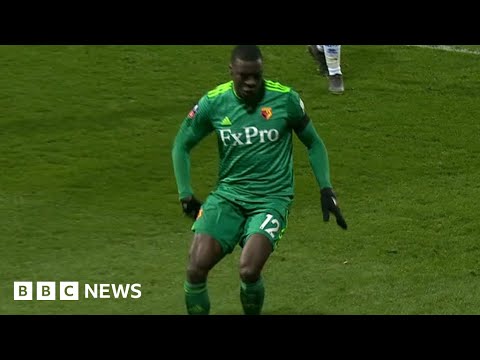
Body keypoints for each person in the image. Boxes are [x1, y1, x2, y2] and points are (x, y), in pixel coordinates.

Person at [172, 45, 347, 315]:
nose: (251, 82)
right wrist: (185, 193)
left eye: (257, 75)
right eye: (244, 76)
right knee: (195, 267)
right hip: (228, 196)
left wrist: (326, 188)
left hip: (271, 200)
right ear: (232, 72)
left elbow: (314, 143)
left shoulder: (285, 99)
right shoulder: (214, 103)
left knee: (249, 269)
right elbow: (182, 144)